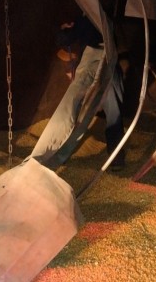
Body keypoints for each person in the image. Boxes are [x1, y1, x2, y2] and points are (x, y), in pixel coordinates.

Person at [30, 14, 127, 171]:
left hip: (96, 61)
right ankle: (117, 157)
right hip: (111, 61)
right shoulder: (109, 15)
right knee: (113, 111)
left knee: (73, 108)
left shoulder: (89, 16)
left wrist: (63, 31)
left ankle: (48, 155)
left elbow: (64, 40)